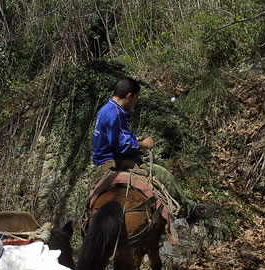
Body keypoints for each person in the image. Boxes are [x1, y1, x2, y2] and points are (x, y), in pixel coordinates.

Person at [92, 76, 218, 222]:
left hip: (104, 159)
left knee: (160, 163)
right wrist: (145, 144)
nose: (135, 102)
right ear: (129, 96)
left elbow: (114, 137)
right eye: (136, 98)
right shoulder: (116, 114)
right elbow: (122, 146)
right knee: (164, 175)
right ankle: (190, 212)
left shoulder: (106, 109)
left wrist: (134, 139)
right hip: (117, 161)